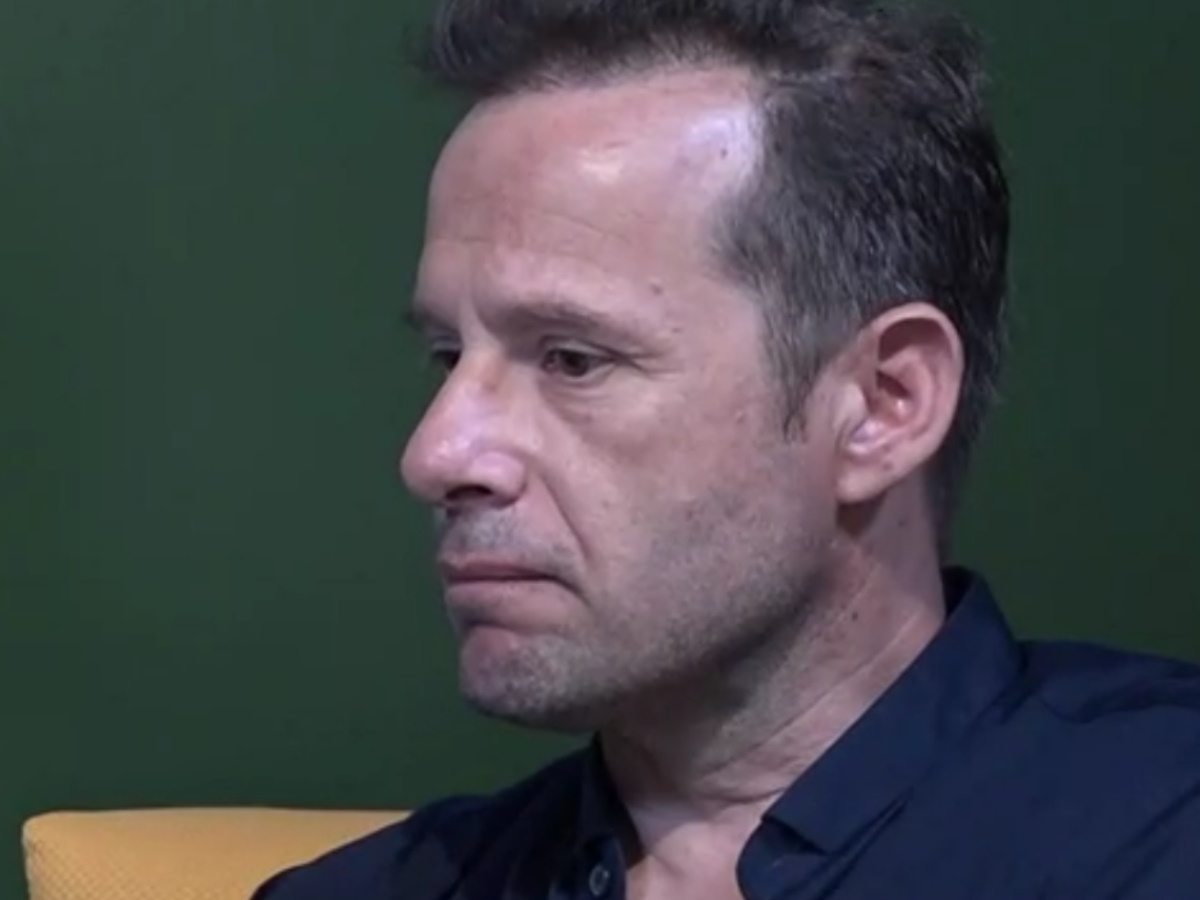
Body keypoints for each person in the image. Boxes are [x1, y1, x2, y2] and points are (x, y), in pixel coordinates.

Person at [253, 0, 1200, 897]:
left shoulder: (1159, 837)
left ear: (885, 404)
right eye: (447, 355)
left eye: (573, 358)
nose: (436, 454)